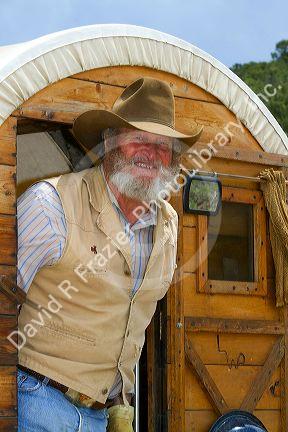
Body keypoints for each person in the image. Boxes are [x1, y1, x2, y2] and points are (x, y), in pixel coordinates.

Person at [16, 77, 203, 431]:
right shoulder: (49, 204)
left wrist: (120, 404)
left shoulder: (168, 226)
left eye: (163, 146)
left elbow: (133, 320)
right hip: (34, 403)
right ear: (109, 142)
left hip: (104, 417)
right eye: (138, 140)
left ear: (174, 159)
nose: (151, 153)